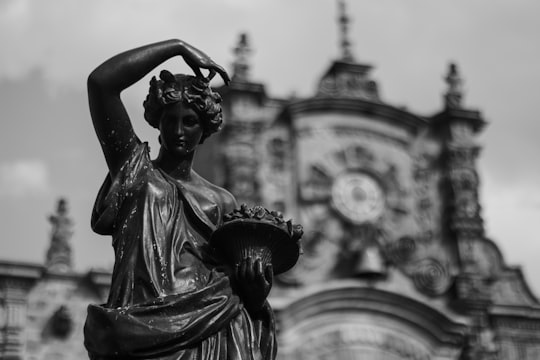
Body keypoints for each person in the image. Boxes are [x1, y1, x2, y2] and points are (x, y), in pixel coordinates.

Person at [83, 39, 276, 360]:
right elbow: (101, 85)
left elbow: (234, 289)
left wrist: (256, 296)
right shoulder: (135, 171)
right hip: (137, 329)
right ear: (157, 122)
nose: (179, 130)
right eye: (170, 120)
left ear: (206, 128)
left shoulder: (221, 202)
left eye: (190, 122)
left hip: (206, 333)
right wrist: (175, 48)